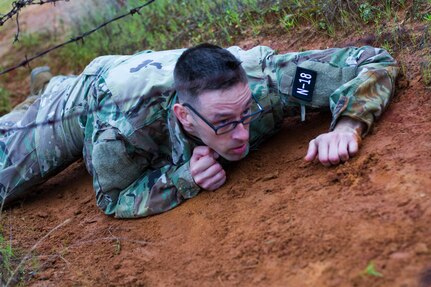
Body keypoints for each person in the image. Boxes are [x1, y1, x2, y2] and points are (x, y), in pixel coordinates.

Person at [0, 44, 398, 218]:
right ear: (184, 117)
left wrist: (348, 124)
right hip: (85, 101)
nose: (242, 133)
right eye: (224, 123)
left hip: (158, 71)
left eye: (247, 114)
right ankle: (48, 93)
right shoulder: (120, 126)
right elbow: (112, 196)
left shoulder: (266, 79)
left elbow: (374, 60)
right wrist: (183, 178)